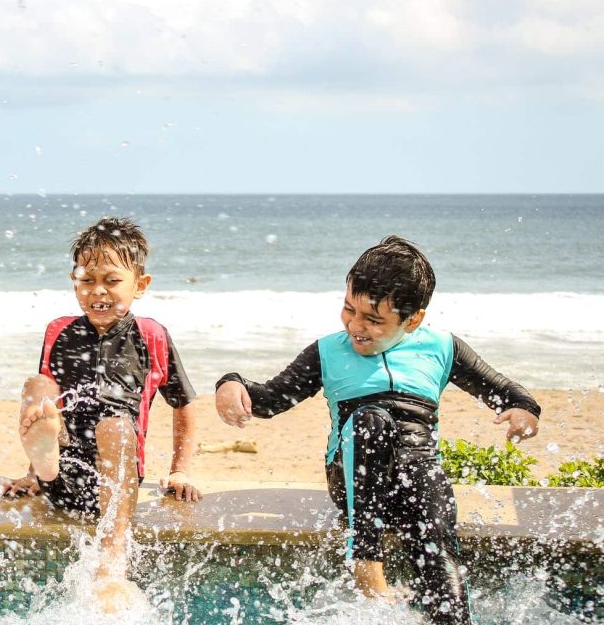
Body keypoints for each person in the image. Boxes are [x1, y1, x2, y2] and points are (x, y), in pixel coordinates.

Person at [214, 235, 541, 624]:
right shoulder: (328, 351)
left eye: (373, 319)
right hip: (352, 474)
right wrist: (230, 382)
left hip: (417, 475)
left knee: (436, 533)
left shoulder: (441, 347)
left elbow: (503, 390)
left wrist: (524, 410)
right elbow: (270, 399)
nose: (356, 325)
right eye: (349, 310)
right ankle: (367, 566)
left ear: (413, 319)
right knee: (372, 421)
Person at [1, 217, 201, 613]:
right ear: (74, 282)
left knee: (113, 425)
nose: (98, 291)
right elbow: (45, 409)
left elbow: (184, 403)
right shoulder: (58, 331)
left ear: (140, 285)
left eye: (111, 280)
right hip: (63, 475)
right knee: (37, 388)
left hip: (117, 485)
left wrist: (181, 469)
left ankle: (113, 554)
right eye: (86, 280)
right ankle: (42, 466)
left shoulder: (151, 335)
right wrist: (31, 474)